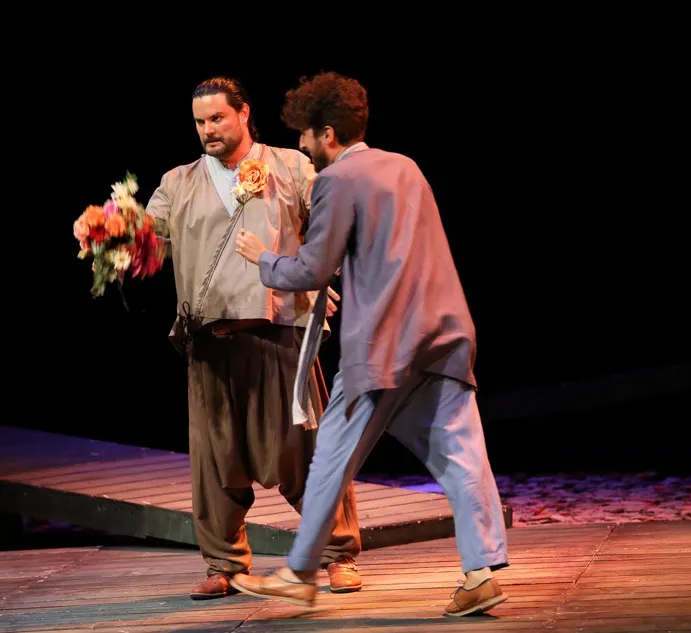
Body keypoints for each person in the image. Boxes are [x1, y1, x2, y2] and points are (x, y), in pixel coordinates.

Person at [231, 71, 510, 617]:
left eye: (306, 135)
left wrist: (261, 258)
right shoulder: (406, 166)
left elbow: (312, 269)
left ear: (328, 133)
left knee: (332, 457)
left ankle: (299, 572)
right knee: (461, 456)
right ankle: (480, 572)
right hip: (443, 331)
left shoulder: (338, 180)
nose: (302, 146)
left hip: (384, 343)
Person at [142, 76, 362, 601]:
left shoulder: (290, 166)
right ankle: (223, 563)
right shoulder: (177, 182)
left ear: (243, 114)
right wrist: (114, 237)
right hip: (209, 341)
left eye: (217, 118)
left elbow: (334, 224)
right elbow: (147, 242)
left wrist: (321, 277)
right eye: (200, 122)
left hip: (276, 333)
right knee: (215, 461)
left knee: (302, 451)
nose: (208, 130)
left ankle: (337, 554)